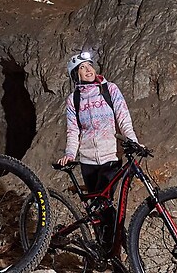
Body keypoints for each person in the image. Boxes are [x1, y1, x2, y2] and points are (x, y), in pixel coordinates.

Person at [56, 51, 141, 247]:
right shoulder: (73, 99)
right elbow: (73, 130)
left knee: (106, 204)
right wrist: (70, 154)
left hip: (110, 156)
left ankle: (118, 245)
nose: (88, 70)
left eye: (89, 65)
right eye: (82, 68)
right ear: (76, 74)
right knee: (96, 208)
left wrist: (133, 141)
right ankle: (104, 249)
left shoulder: (109, 89)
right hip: (87, 160)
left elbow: (123, 118)